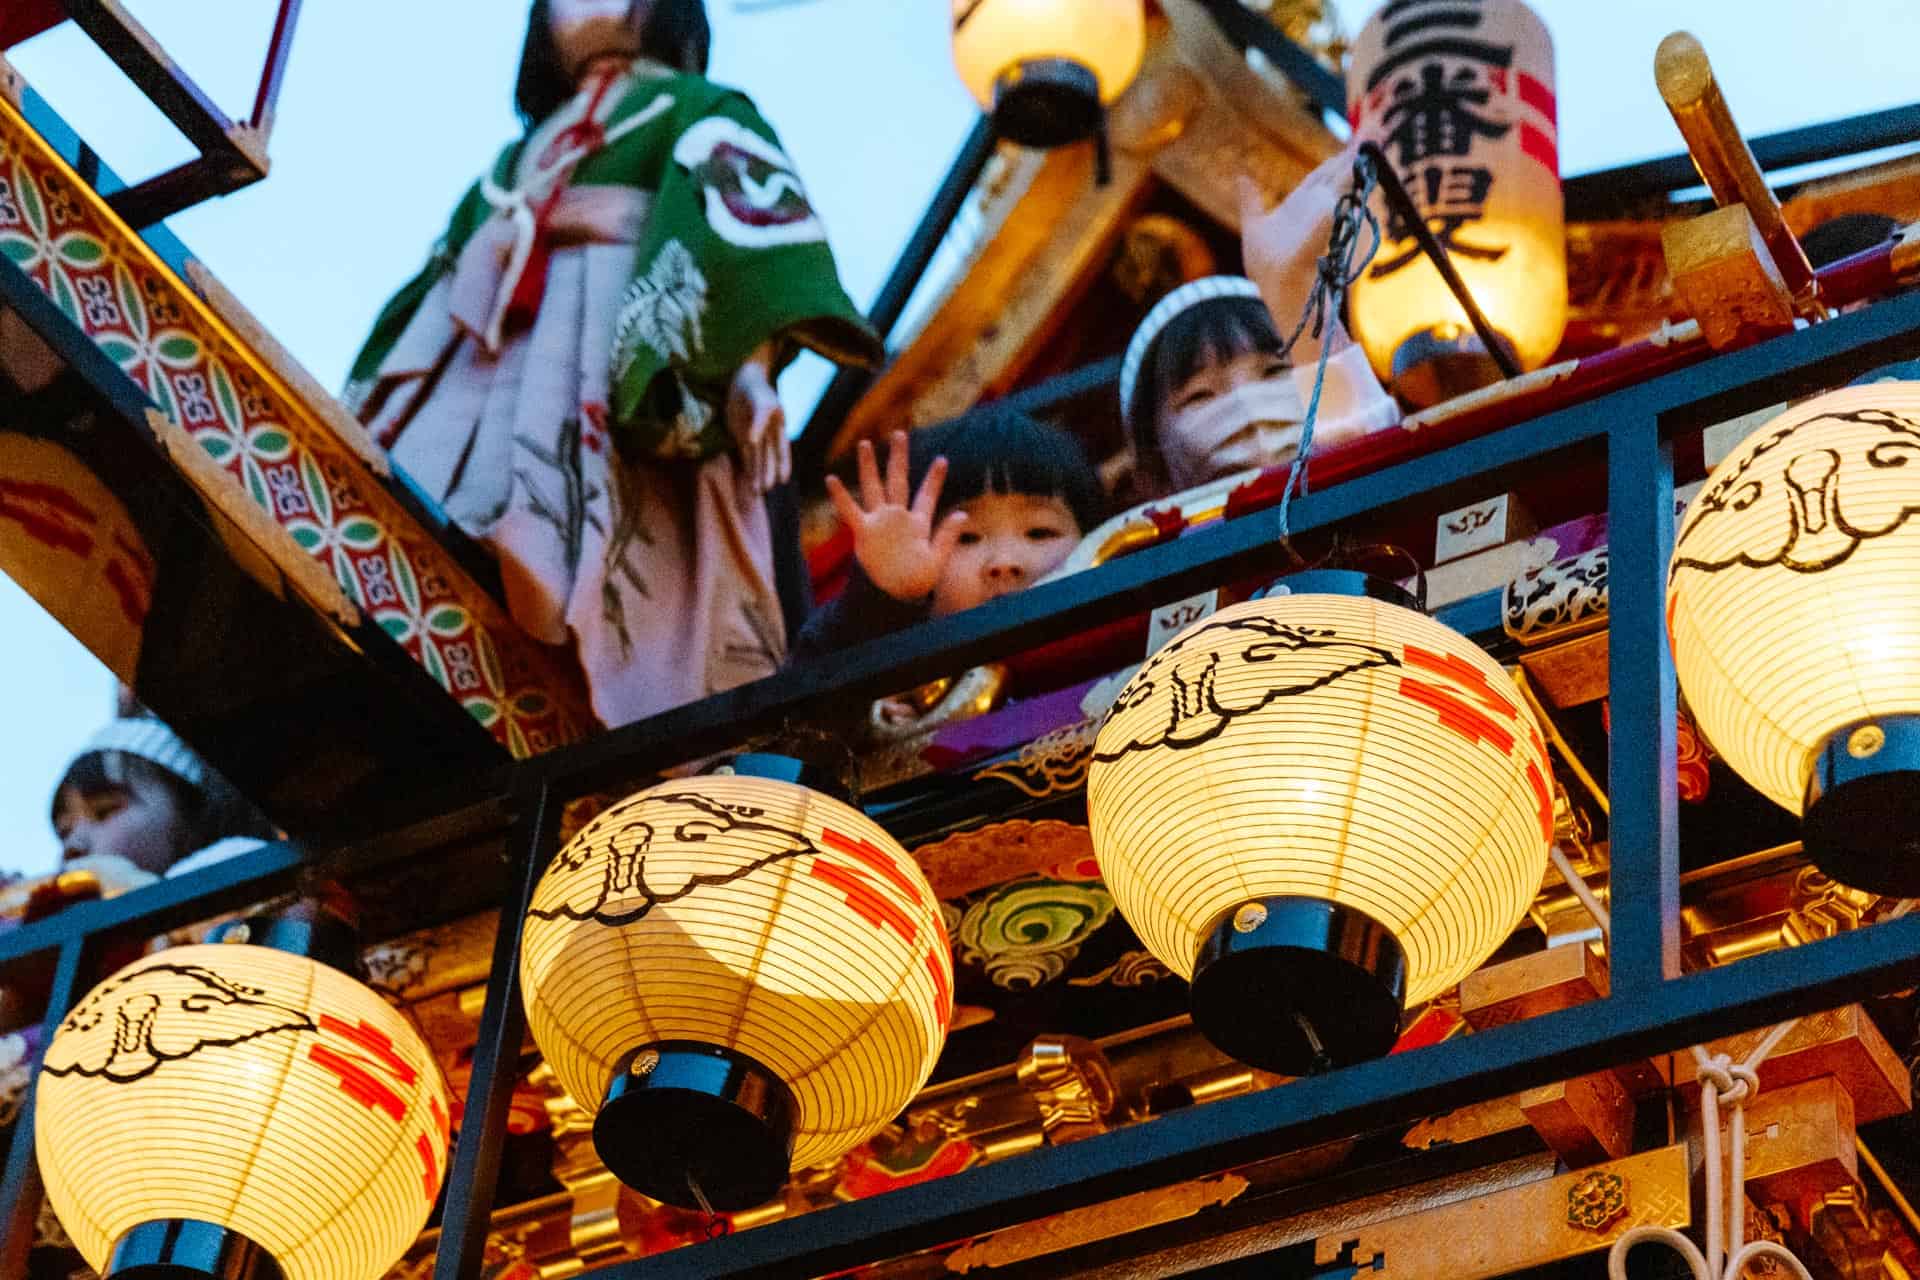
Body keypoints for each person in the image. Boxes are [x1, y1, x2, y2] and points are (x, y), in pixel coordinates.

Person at [345, 0, 880, 727]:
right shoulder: (516, 155)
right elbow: (433, 280)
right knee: (414, 498)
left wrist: (752, 366)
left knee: (626, 550)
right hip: (485, 344)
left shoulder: (699, 107)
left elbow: (740, 229)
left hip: (613, 344)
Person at [793, 409, 1105, 660]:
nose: (1004, 562)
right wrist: (882, 600)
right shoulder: (900, 698)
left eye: (1040, 532)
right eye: (966, 537)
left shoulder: (1140, 651)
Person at [50, 715, 276, 890]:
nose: (73, 845)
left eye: (104, 811)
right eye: (65, 832)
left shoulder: (241, 874)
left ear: (190, 814)